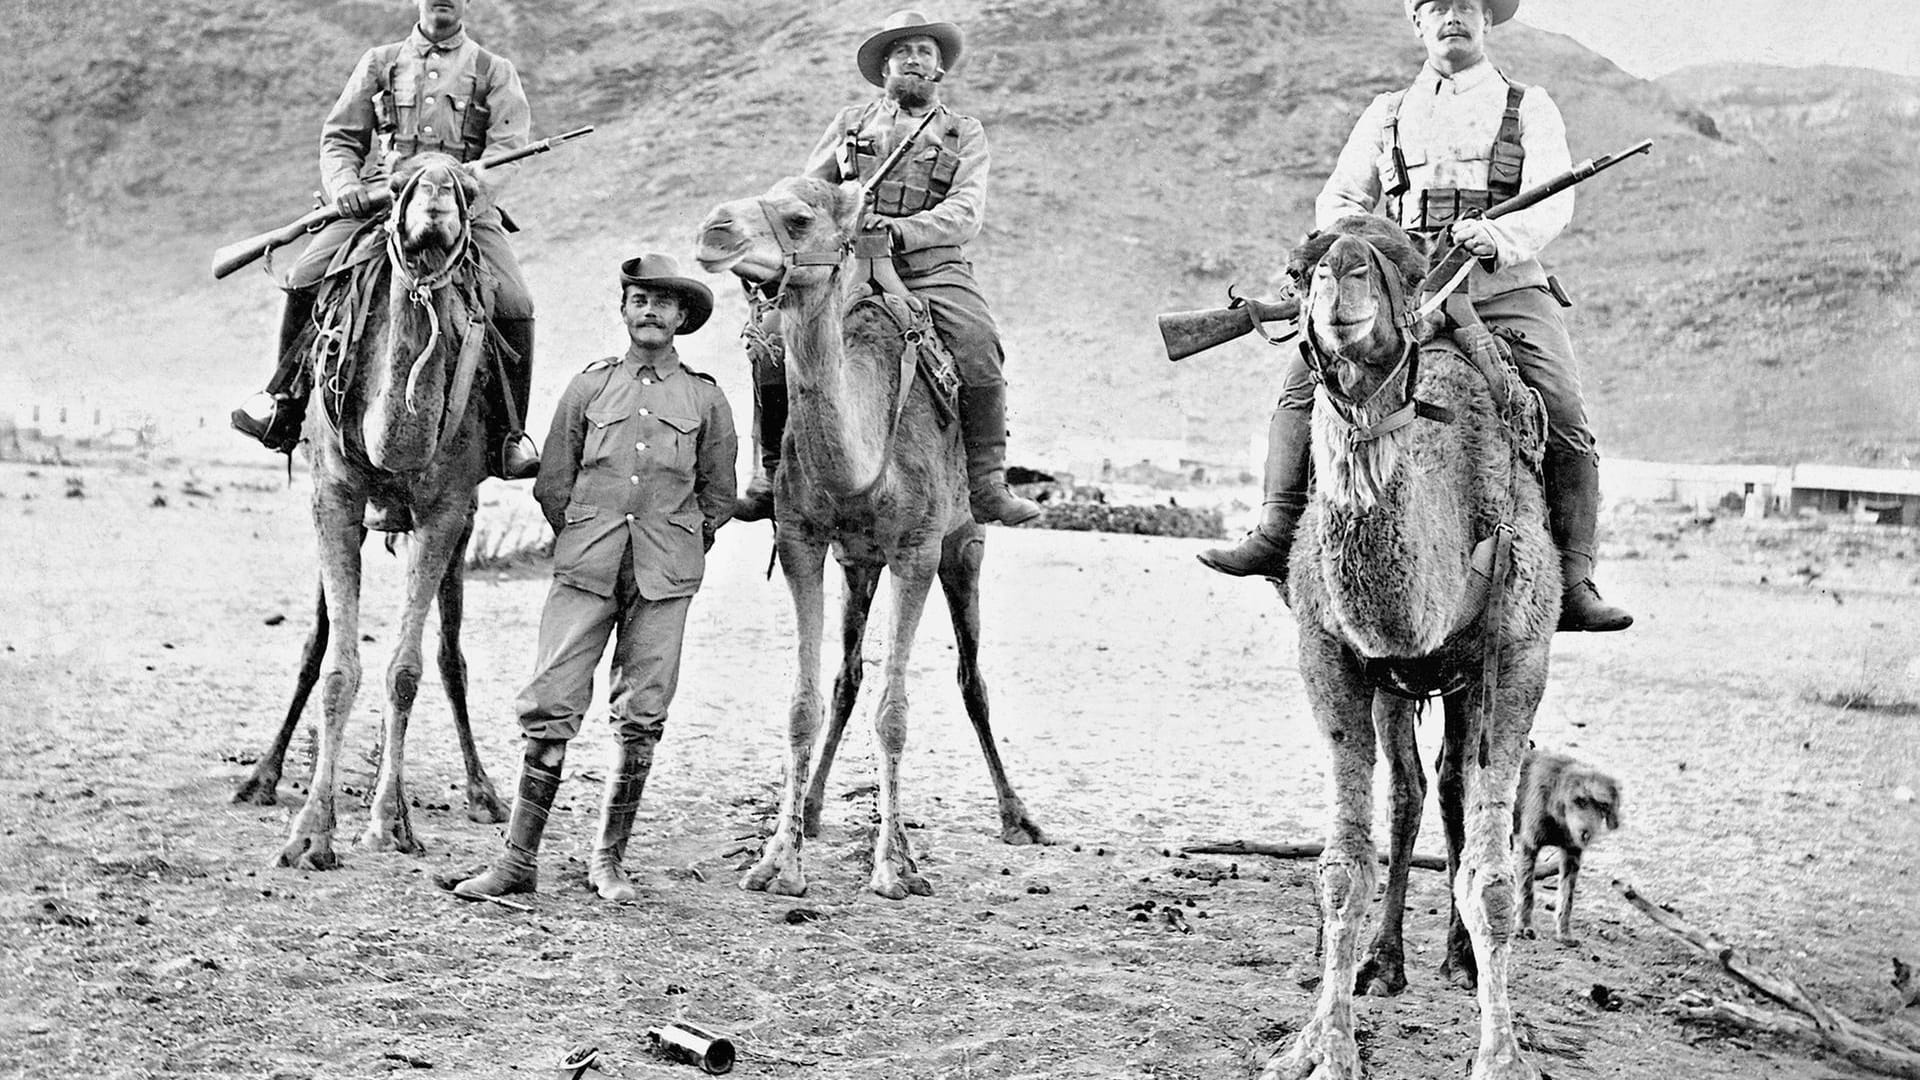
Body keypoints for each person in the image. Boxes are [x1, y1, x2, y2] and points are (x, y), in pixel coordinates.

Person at [1199, 0, 1633, 633]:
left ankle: (1572, 580)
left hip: (1502, 284)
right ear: (1417, 23)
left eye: (1466, 5)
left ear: (1487, 20)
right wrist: (1363, 245)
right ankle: (1274, 530)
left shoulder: (1529, 105)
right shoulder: (1388, 112)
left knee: (1564, 411)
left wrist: (1499, 237)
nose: (1452, 16)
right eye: (1436, 6)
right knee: (1302, 383)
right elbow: (1342, 198)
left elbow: (1552, 201)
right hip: (1403, 289)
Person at [453, 254, 738, 902]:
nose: (650, 311)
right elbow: (554, 481)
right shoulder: (588, 388)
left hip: (663, 576)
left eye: (663, 303)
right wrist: (584, 534)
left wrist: (675, 546)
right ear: (623, 309)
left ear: (682, 318)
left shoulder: (704, 397)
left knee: (642, 714)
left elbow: (717, 495)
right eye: (639, 299)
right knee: (550, 703)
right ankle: (517, 862)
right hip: (585, 568)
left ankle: (608, 863)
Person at [733, 9, 1040, 527]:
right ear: (884, 69)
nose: (913, 61)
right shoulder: (850, 123)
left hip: (931, 267)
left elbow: (966, 210)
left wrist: (901, 230)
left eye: (925, 53)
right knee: (771, 337)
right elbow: (812, 188)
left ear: (939, 70)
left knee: (979, 340)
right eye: (903, 53)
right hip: (849, 264)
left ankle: (987, 483)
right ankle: (769, 474)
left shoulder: (964, 132)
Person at [231, 0, 541, 488]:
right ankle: (284, 403)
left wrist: (474, 186)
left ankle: (508, 435)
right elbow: (340, 137)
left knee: (515, 301)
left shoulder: (493, 71)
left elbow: (506, 148)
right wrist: (346, 186)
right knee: (306, 275)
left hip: (462, 207)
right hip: (384, 201)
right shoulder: (380, 61)